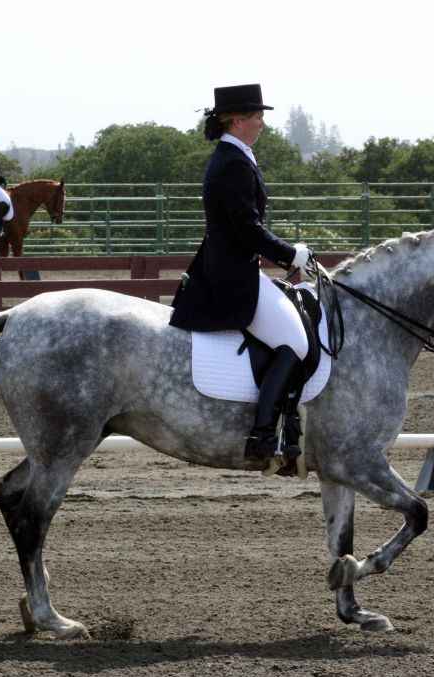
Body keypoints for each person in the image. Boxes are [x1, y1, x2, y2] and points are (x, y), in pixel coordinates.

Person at [169, 84, 313, 462]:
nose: (263, 124)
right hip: (231, 274)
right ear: (237, 121)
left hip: (232, 265)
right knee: (296, 343)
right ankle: (264, 436)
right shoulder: (232, 162)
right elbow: (247, 229)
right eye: (257, 117)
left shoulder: (235, 156)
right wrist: (291, 254)